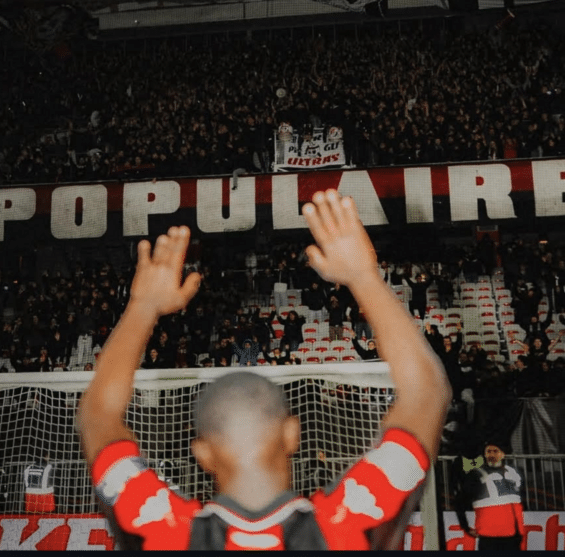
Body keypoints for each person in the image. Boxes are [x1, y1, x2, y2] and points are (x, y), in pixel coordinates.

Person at [77, 190, 452, 550]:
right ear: (292, 434)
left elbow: (97, 415)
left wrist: (142, 307)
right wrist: (363, 277)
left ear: (202, 454)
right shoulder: (349, 521)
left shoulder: (162, 528)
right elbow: (426, 392)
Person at [455, 440, 527, 551]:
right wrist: (465, 526)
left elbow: (521, 499)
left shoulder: (514, 473)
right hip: (489, 535)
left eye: (495, 451)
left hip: (514, 534)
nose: (492, 455)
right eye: (489, 451)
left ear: (503, 454)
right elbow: (459, 501)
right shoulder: (475, 475)